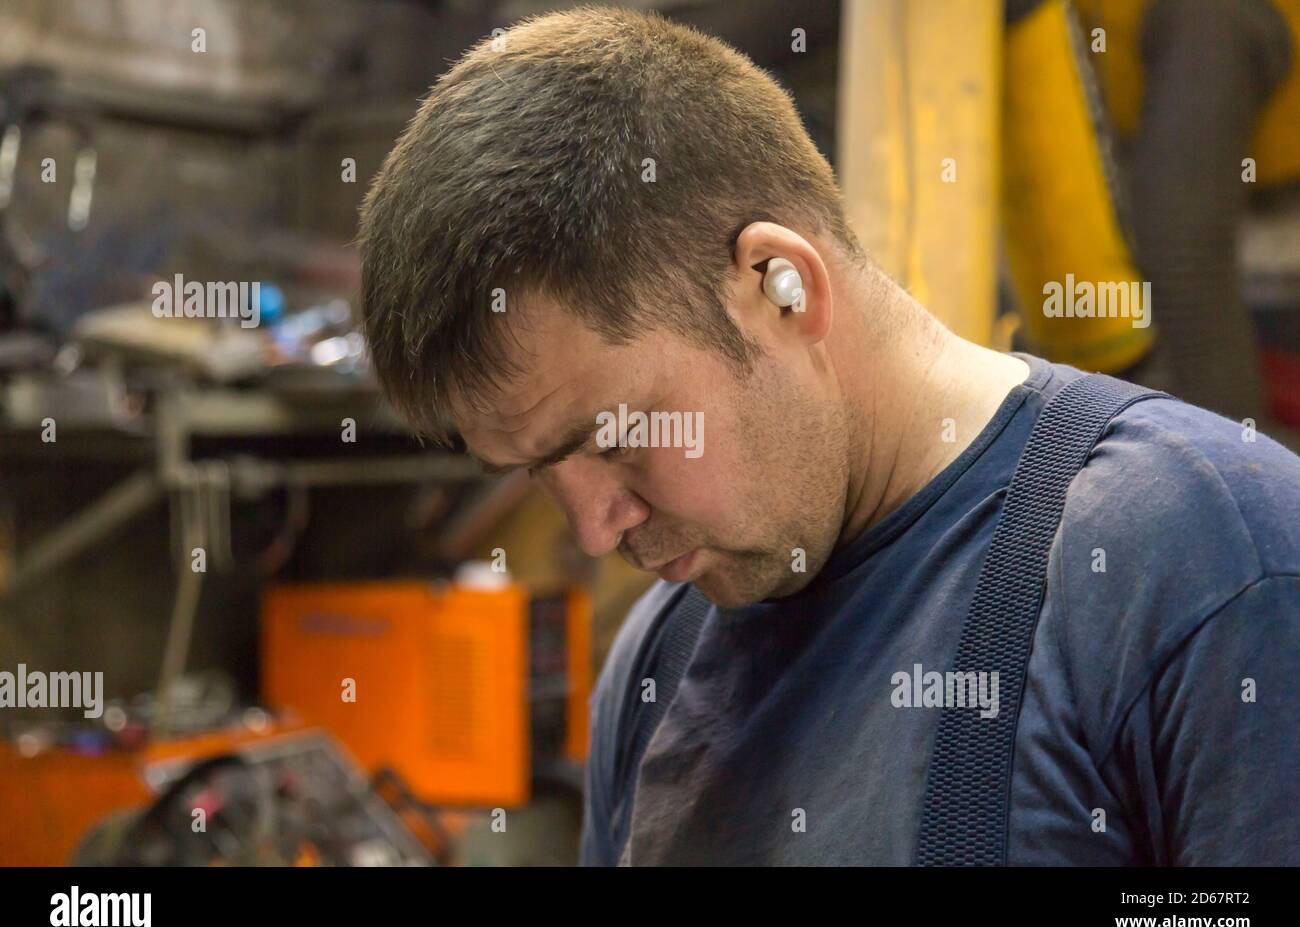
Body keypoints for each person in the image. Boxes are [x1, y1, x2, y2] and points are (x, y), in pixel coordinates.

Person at [356, 7, 1300, 865]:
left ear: (778, 284)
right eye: (535, 471)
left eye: (614, 434)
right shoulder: (656, 663)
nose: (597, 530)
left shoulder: (1199, 562)